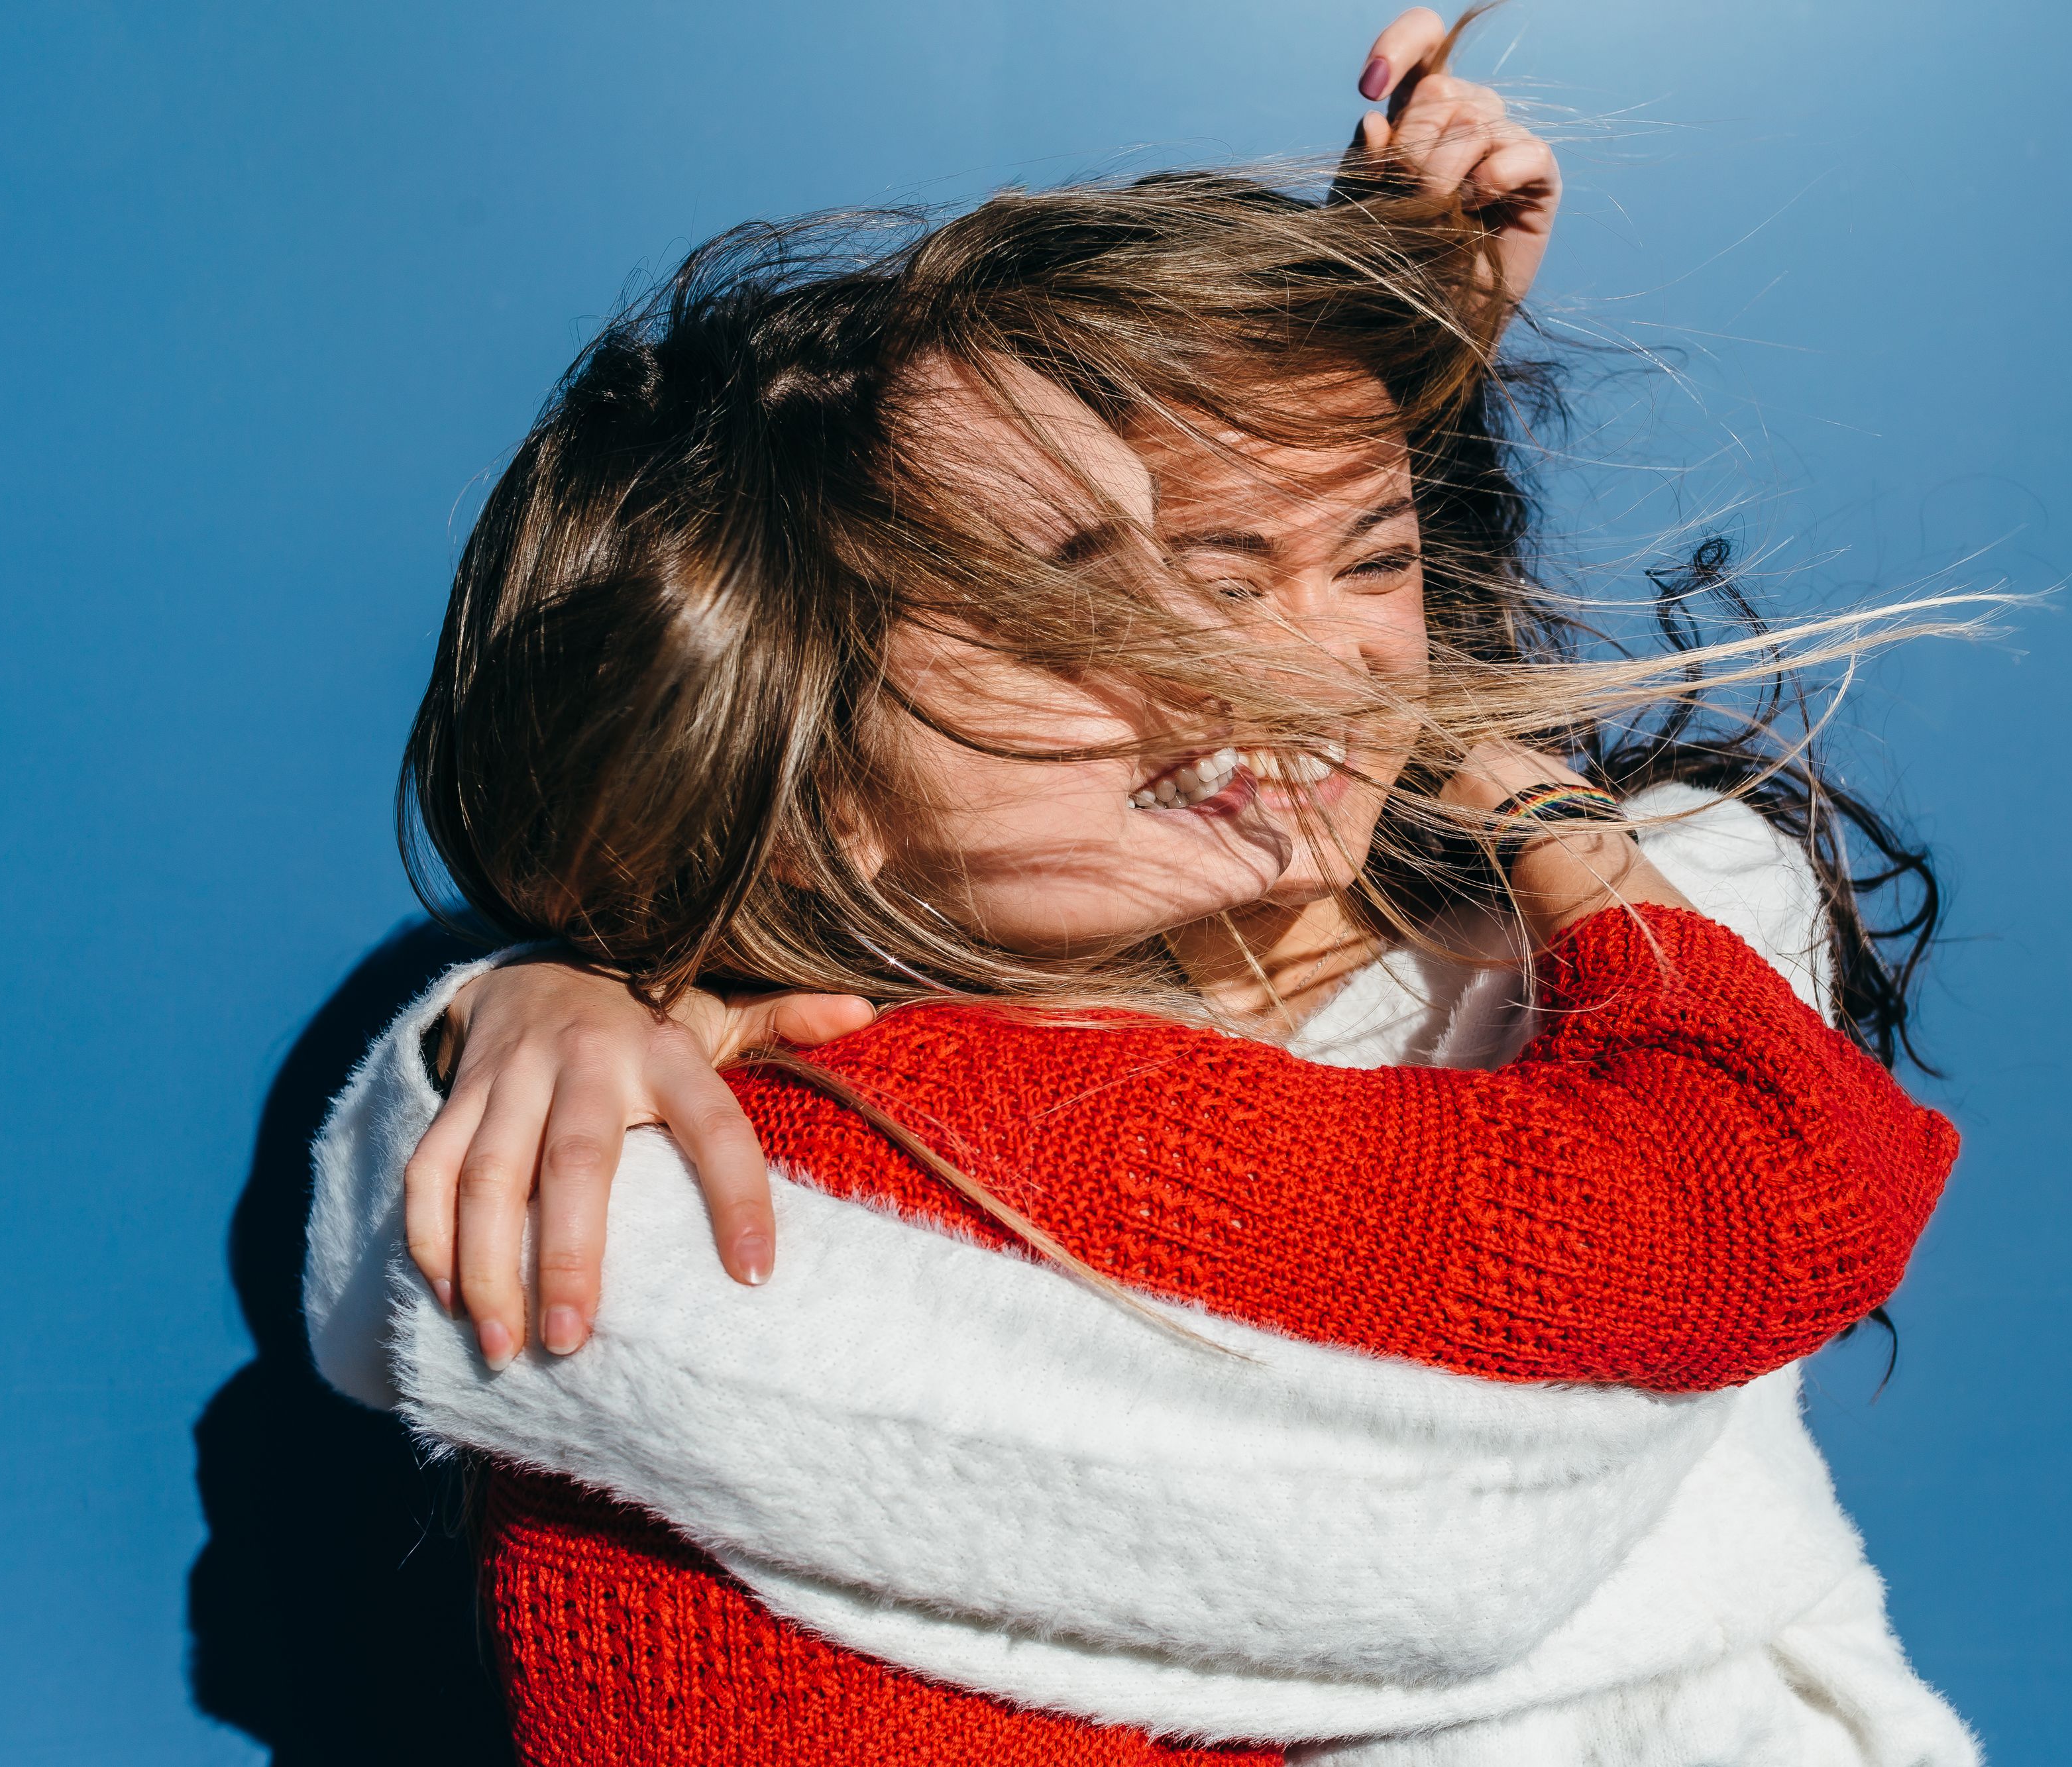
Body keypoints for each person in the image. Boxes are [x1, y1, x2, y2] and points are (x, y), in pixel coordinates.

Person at [306, 12, 1984, 1762]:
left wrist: (1378, 410)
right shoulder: (766, 1131)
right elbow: (406, 1277)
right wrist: (530, 1008)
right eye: (1106, 595)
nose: (1270, 665)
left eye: (1370, 547)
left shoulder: (1656, 914)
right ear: (817, 755)